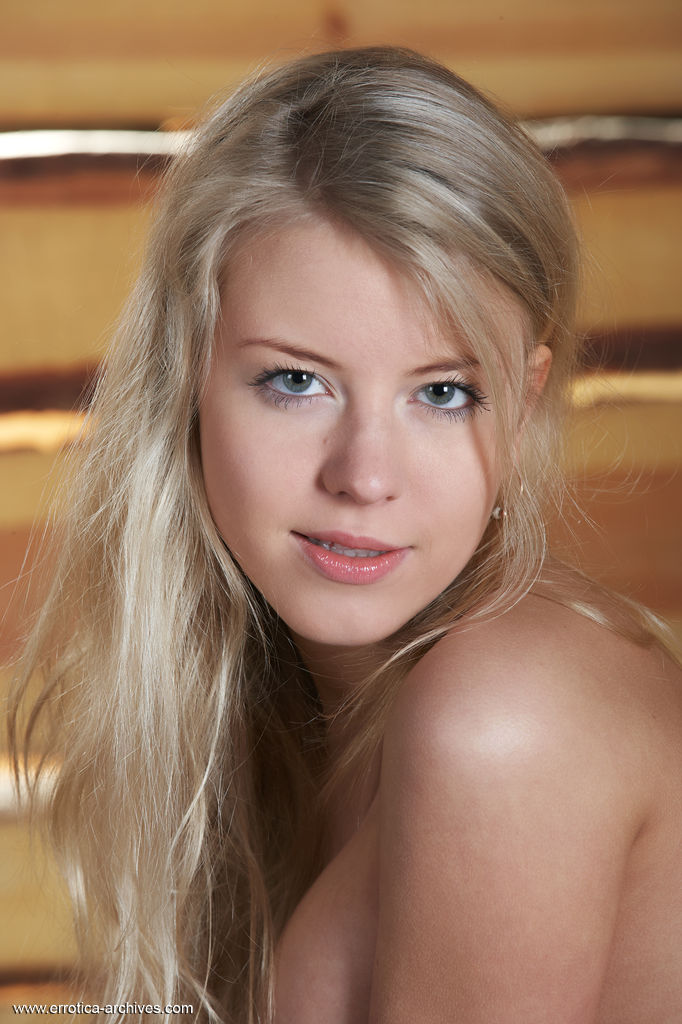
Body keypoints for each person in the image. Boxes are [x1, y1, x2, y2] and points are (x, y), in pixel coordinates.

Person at [9, 46, 682, 1024]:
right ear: (187, 380)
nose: (363, 476)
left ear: (525, 404)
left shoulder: (504, 715)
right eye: (297, 381)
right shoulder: (299, 719)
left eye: (443, 393)